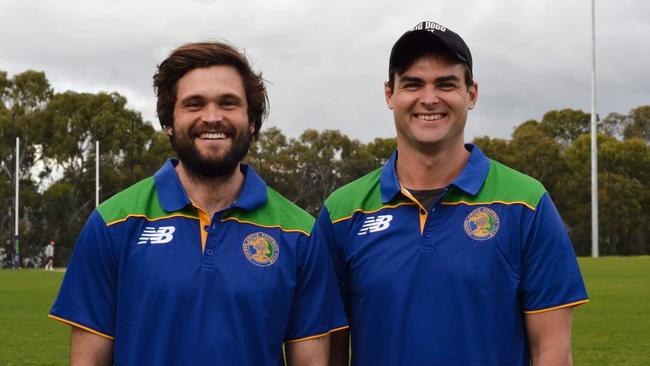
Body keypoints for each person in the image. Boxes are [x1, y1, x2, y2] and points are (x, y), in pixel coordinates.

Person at [49, 41, 347, 365]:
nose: (212, 117)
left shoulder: (299, 233)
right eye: (194, 104)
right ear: (168, 121)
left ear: (252, 121)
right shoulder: (112, 223)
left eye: (229, 103)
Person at [318, 21, 589, 365]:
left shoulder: (526, 203)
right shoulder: (342, 212)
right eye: (413, 84)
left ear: (471, 93)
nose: (429, 99)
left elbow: (550, 351)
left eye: (446, 84)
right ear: (390, 94)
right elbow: (328, 353)